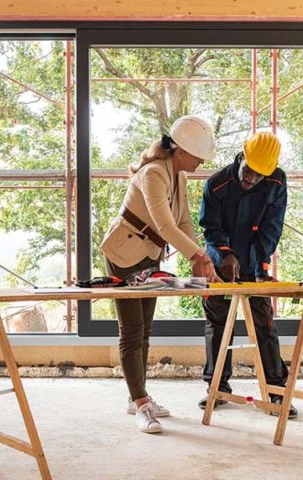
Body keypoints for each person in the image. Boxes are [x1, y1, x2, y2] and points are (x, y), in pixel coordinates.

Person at [99, 115, 222, 434]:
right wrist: (199, 257)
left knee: (145, 330)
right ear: (181, 151)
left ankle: (137, 396)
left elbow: (181, 224)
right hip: (124, 255)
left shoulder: (178, 174)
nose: (201, 163)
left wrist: (200, 259)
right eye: (199, 157)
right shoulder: (153, 173)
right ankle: (140, 405)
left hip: (149, 257)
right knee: (131, 330)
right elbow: (165, 226)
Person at [197, 130, 297, 418]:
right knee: (218, 325)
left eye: (258, 176)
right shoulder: (216, 184)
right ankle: (217, 388)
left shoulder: (276, 181)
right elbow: (210, 225)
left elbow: (272, 226)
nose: (251, 180)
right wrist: (226, 253)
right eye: (249, 172)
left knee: (263, 323)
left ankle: (277, 393)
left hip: (254, 260)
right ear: (241, 156)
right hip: (219, 261)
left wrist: (261, 266)